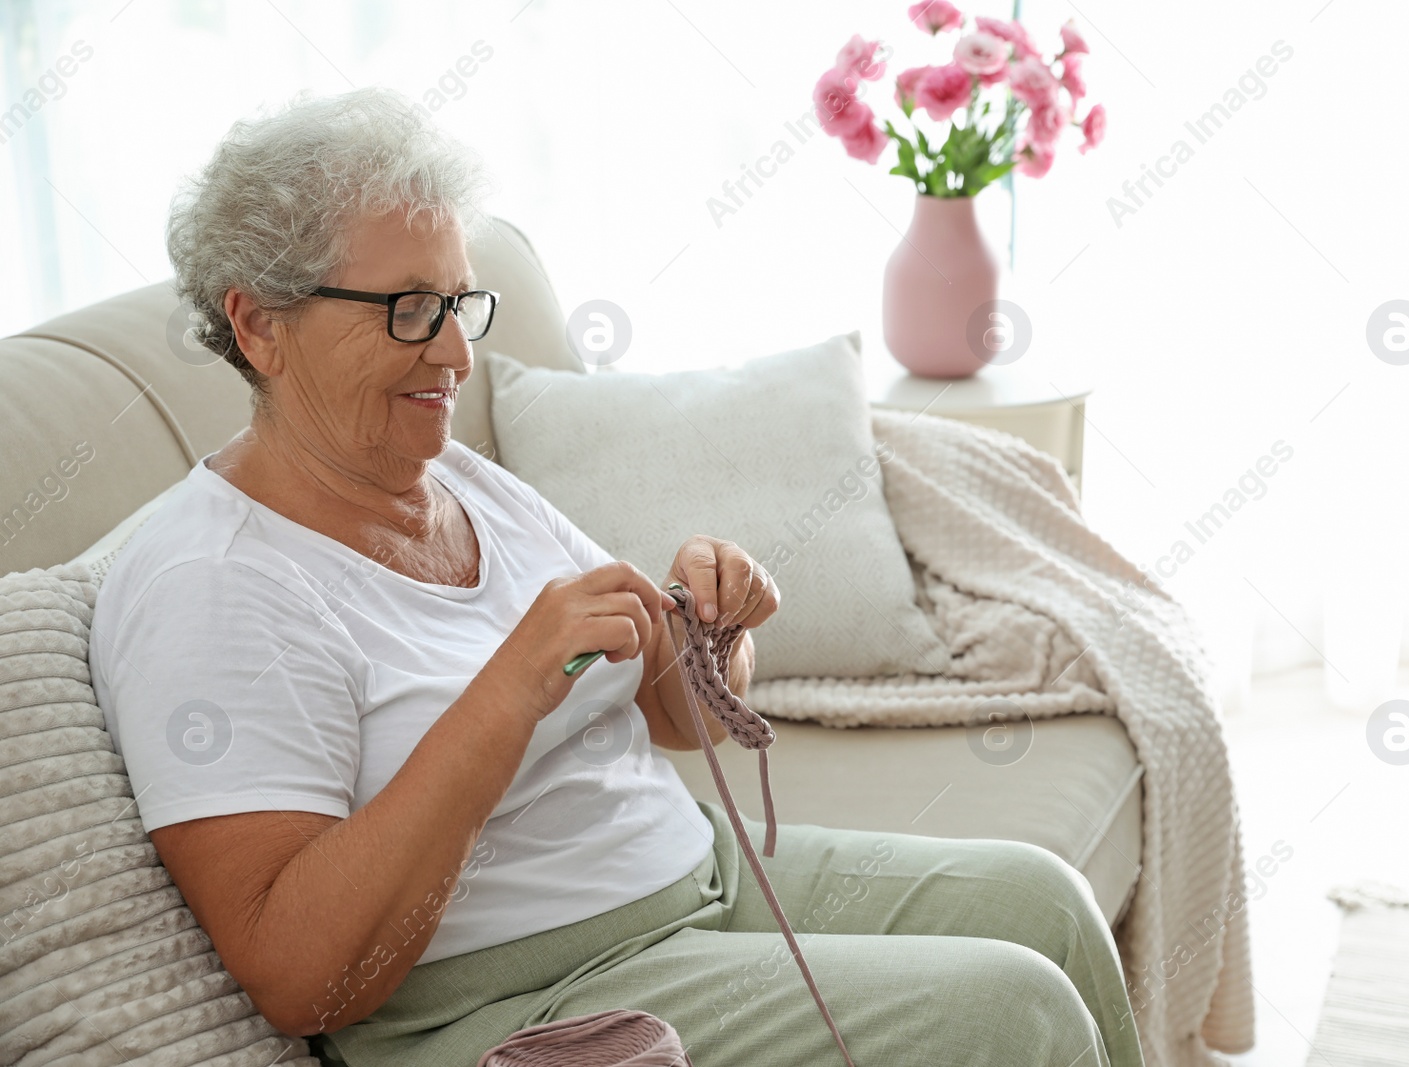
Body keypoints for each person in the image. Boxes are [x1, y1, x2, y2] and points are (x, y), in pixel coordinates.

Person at [89, 87, 1144, 1067]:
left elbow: (677, 718)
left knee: (1043, 898)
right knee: (1011, 1008)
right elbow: (297, 974)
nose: (456, 356)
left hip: (695, 871)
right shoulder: (209, 584)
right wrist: (508, 690)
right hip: (520, 992)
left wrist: (710, 632)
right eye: (409, 309)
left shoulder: (458, 477)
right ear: (259, 324)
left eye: (460, 303)